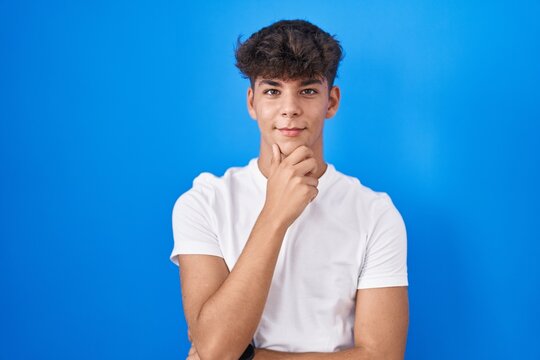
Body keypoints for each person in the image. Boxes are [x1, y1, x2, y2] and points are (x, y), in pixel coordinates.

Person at [170, 19, 409, 360]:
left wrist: (252, 357)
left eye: (308, 90)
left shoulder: (375, 212)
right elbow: (215, 349)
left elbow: (382, 356)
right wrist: (275, 214)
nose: (290, 108)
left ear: (331, 102)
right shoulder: (203, 203)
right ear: (252, 102)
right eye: (273, 90)